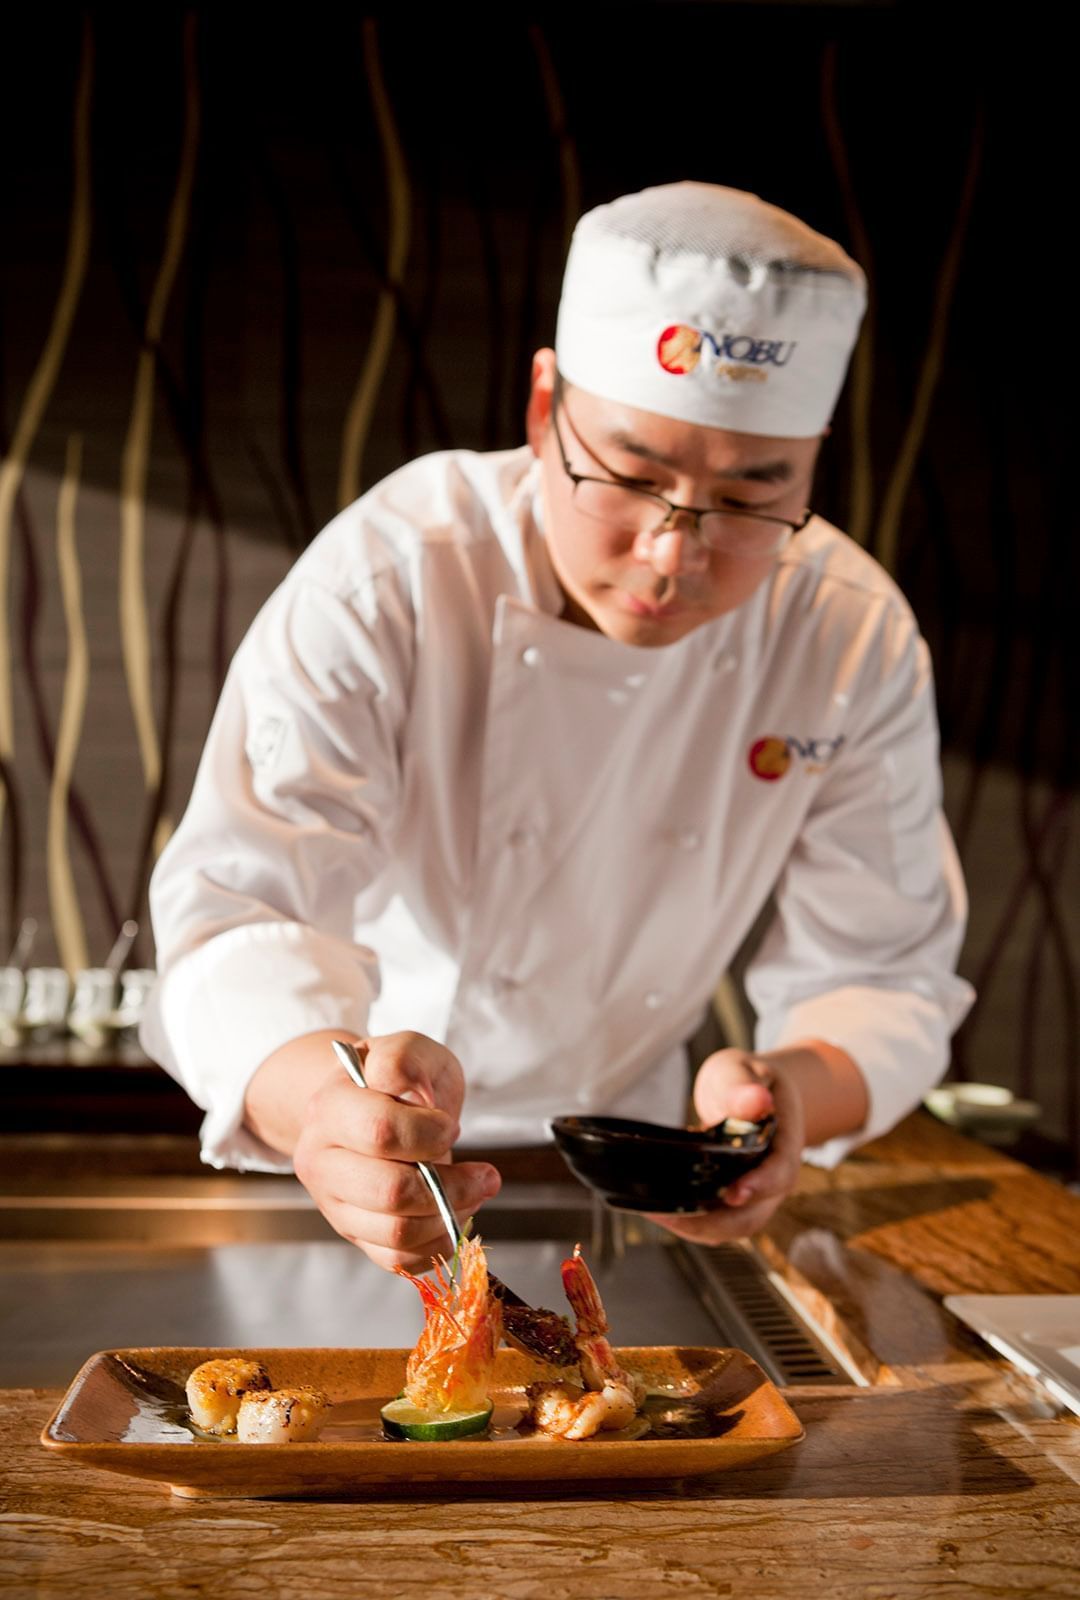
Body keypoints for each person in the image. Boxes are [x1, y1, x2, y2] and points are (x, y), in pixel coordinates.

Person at [141, 181, 974, 1272]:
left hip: (623, 1187)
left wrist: (786, 1103)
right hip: (344, 1163)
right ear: (543, 411)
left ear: (811, 458)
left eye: (747, 498)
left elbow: (883, 971)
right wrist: (332, 1119)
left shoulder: (846, 630)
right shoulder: (394, 574)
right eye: (628, 476)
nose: (672, 554)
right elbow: (244, 914)